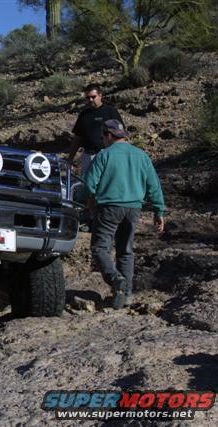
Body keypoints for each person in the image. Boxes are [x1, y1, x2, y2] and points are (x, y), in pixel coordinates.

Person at [84, 119, 165, 310]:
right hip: (134, 209)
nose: (103, 140)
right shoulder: (141, 155)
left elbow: (88, 185)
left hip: (109, 208)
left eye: (103, 136)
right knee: (126, 251)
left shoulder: (104, 155)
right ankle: (126, 295)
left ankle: (115, 278)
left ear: (109, 135)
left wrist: (79, 202)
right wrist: (159, 210)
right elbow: (153, 185)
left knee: (99, 248)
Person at [68, 84, 125, 175]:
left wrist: (120, 155)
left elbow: (120, 135)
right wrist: (70, 158)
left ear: (100, 95)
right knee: (86, 181)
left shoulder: (110, 111)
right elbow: (77, 138)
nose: (90, 100)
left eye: (93, 97)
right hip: (87, 155)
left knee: (106, 181)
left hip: (107, 155)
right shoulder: (83, 115)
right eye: (88, 98)